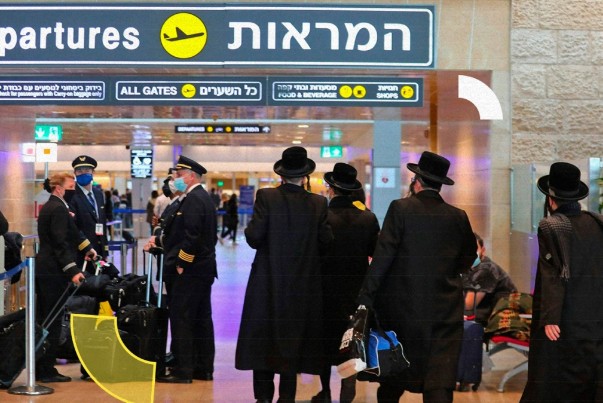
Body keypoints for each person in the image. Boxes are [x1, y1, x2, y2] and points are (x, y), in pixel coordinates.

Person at [357, 151, 476, 403]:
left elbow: (383, 257)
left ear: (417, 181)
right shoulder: (458, 216)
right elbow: (469, 256)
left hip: (403, 308)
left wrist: (365, 298)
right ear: (440, 184)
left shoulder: (400, 208)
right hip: (445, 310)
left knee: (395, 374)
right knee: (439, 379)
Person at [235, 146, 334, 403]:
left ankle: (263, 398)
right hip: (302, 286)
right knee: (293, 342)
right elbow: (326, 241)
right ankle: (287, 397)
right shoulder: (318, 203)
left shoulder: (266, 197)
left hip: (267, 283)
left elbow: (254, 237)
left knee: (263, 340)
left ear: (281, 175)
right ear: (305, 176)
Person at [521, 162, 603, 401]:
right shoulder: (597, 222)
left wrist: (550, 318)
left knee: (552, 383)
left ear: (551, 199)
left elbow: (552, 275)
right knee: (588, 381)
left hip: (563, 321)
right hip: (595, 321)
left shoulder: (552, 226)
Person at [312, 163, 380, 403]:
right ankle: (347, 394)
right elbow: (376, 254)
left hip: (324, 291)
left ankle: (325, 392)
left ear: (331, 188)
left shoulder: (322, 216)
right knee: (351, 344)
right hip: (355, 293)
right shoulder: (368, 218)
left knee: (324, 344)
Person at [150, 155, 218, 384]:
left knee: (183, 318)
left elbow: (192, 237)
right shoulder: (197, 197)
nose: (175, 179)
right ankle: (203, 367)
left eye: (179, 175)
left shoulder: (195, 200)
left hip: (190, 271)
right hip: (201, 270)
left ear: (191, 177)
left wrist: (181, 263)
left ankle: (183, 370)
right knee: (200, 318)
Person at [35, 172, 93, 382]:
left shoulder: (54, 206)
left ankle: (41, 366)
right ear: (59, 188)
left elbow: (72, 232)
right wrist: (73, 271)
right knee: (52, 319)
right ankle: (46, 369)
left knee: (46, 317)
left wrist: (87, 248)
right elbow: (59, 244)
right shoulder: (58, 208)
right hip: (53, 271)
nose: (73, 190)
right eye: (70, 187)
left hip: (46, 269)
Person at [463, 232, 517, 326]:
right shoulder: (467, 269)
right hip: (481, 318)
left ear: (483, 250)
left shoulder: (487, 270)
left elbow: (469, 305)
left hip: (498, 322)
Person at [69, 155, 108, 270]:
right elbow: (73, 227)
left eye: (87, 170)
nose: (83, 173)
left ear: (93, 172)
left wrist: (105, 251)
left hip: (99, 251)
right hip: (81, 252)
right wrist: (87, 247)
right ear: (75, 173)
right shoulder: (71, 195)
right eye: (79, 171)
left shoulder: (98, 194)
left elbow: (102, 222)